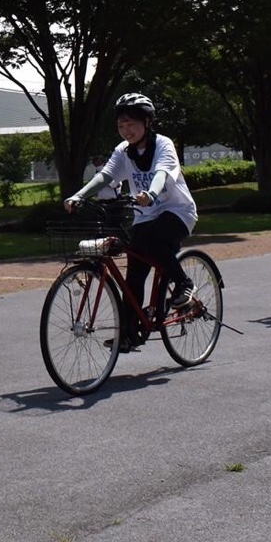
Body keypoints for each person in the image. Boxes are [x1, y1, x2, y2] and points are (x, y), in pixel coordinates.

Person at [65, 93, 198, 350]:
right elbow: (105, 176)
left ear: (147, 122)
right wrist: (79, 195)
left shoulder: (163, 145)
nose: (126, 130)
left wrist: (151, 193)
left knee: (151, 238)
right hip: (145, 216)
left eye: (131, 124)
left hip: (177, 211)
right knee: (134, 274)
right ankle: (130, 333)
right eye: (121, 125)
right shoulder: (122, 151)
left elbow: (161, 173)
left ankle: (184, 283)